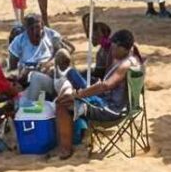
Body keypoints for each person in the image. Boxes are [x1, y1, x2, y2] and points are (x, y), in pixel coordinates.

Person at [52, 29, 138, 158]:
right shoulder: (133, 58)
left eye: (114, 48)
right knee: (72, 75)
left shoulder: (125, 65)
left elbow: (105, 85)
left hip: (110, 109)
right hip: (117, 104)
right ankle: (79, 137)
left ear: (123, 48)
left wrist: (78, 94)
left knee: (63, 104)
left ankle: (65, 150)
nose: (112, 51)